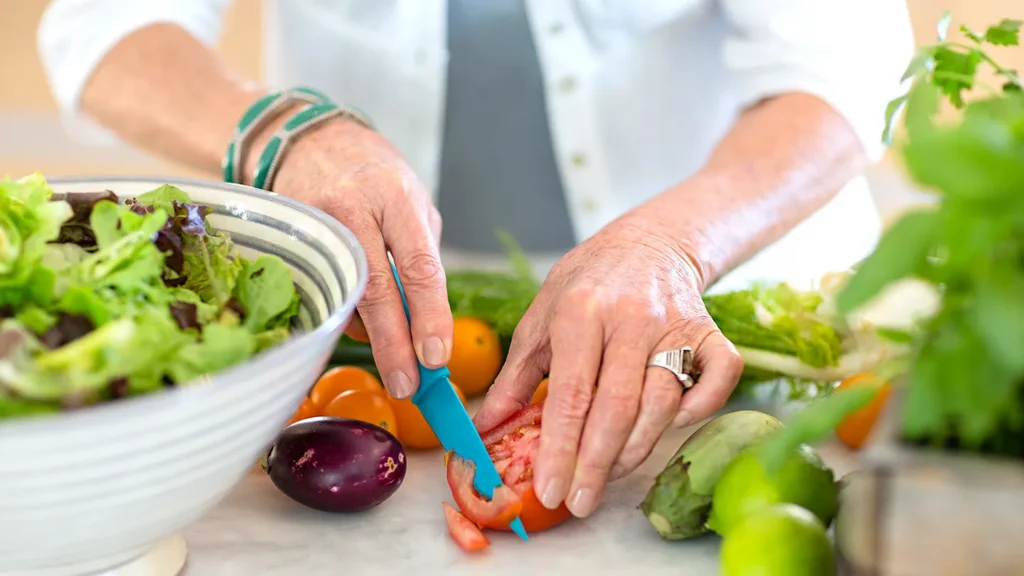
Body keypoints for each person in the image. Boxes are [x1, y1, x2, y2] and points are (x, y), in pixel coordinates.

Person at [38, 0, 914, 519]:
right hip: (406, 308)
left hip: (730, 288)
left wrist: (671, 244)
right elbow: (99, 27)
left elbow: (844, 71)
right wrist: (281, 134)